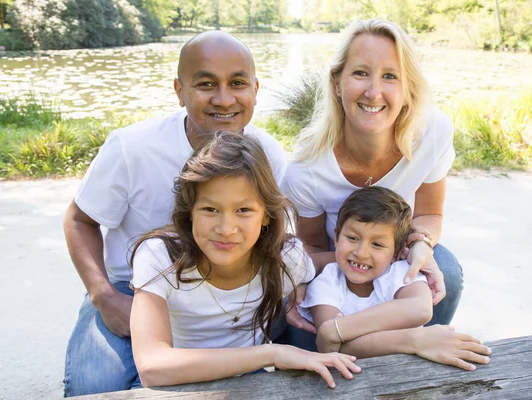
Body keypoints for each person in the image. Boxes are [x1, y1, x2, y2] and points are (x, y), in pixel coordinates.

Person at [62, 31, 287, 396]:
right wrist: (103, 296)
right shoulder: (131, 148)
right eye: (205, 84)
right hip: (131, 288)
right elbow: (78, 220)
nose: (224, 98)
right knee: (94, 387)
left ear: (256, 89)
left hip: (223, 283)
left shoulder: (268, 153)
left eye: (238, 83)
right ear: (179, 91)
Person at [129, 131, 361, 388]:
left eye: (243, 210)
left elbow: (319, 263)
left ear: (266, 215)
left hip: (250, 382)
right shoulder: (161, 256)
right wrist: (272, 354)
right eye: (210, 209)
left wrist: (402, 250)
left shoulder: (283, 257)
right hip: (178, 381)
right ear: (190, 212)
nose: (226, 228)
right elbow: (152, 366)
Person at [282, 19, 462, 335]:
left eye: (390, 76)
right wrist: (311, 276)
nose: (374, 92)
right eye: (361, 73)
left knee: (445, 272)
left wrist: (421, 245)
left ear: (409, 90)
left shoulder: (433, 132)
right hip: (339, 261)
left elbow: (430, 214)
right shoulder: (307, 168)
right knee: (301, 306)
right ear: (337, 83)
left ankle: (415, 355)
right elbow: (311, 244)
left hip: (398, 250)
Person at [298, 187, 490, 371]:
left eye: (377, 244)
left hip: (405, 369)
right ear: (337, 237)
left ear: (397, 253)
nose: (361, 252)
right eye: (353, 238)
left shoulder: (400, 271)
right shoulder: (327, 280)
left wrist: (337, 329)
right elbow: (335, 349)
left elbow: (420, 309)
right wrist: (415, 340)